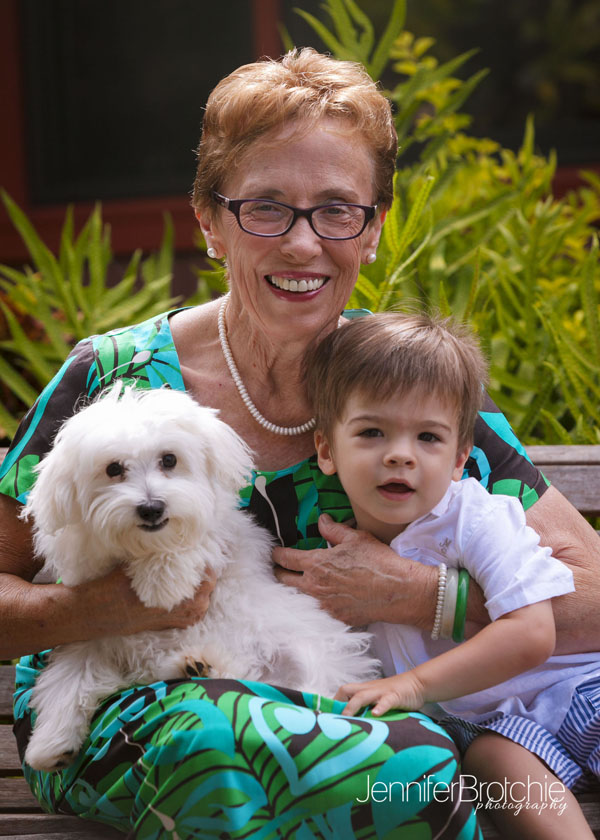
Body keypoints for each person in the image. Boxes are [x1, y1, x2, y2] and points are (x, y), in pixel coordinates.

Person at [0, 47, 597, 839]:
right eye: (266, 207)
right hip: (127, 702)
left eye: (337, 209)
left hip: (350, 711)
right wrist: (103, 607)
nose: (303, 244)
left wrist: (423, 597)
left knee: (414, 763)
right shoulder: (111, 379)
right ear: (210, 221)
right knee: (237, 741)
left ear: (373, 229)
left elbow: (593, 598)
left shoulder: (405, 385)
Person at [303, 311, 600, 836]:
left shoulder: (475, 519)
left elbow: (533, 632)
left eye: (428, 437)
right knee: (491, 762)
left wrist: (414, 685)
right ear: (327, 448)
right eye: (372, 432)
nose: (400, 455)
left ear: (461, 456)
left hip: (579, 690)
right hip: (501, 731)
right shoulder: (342, 561)